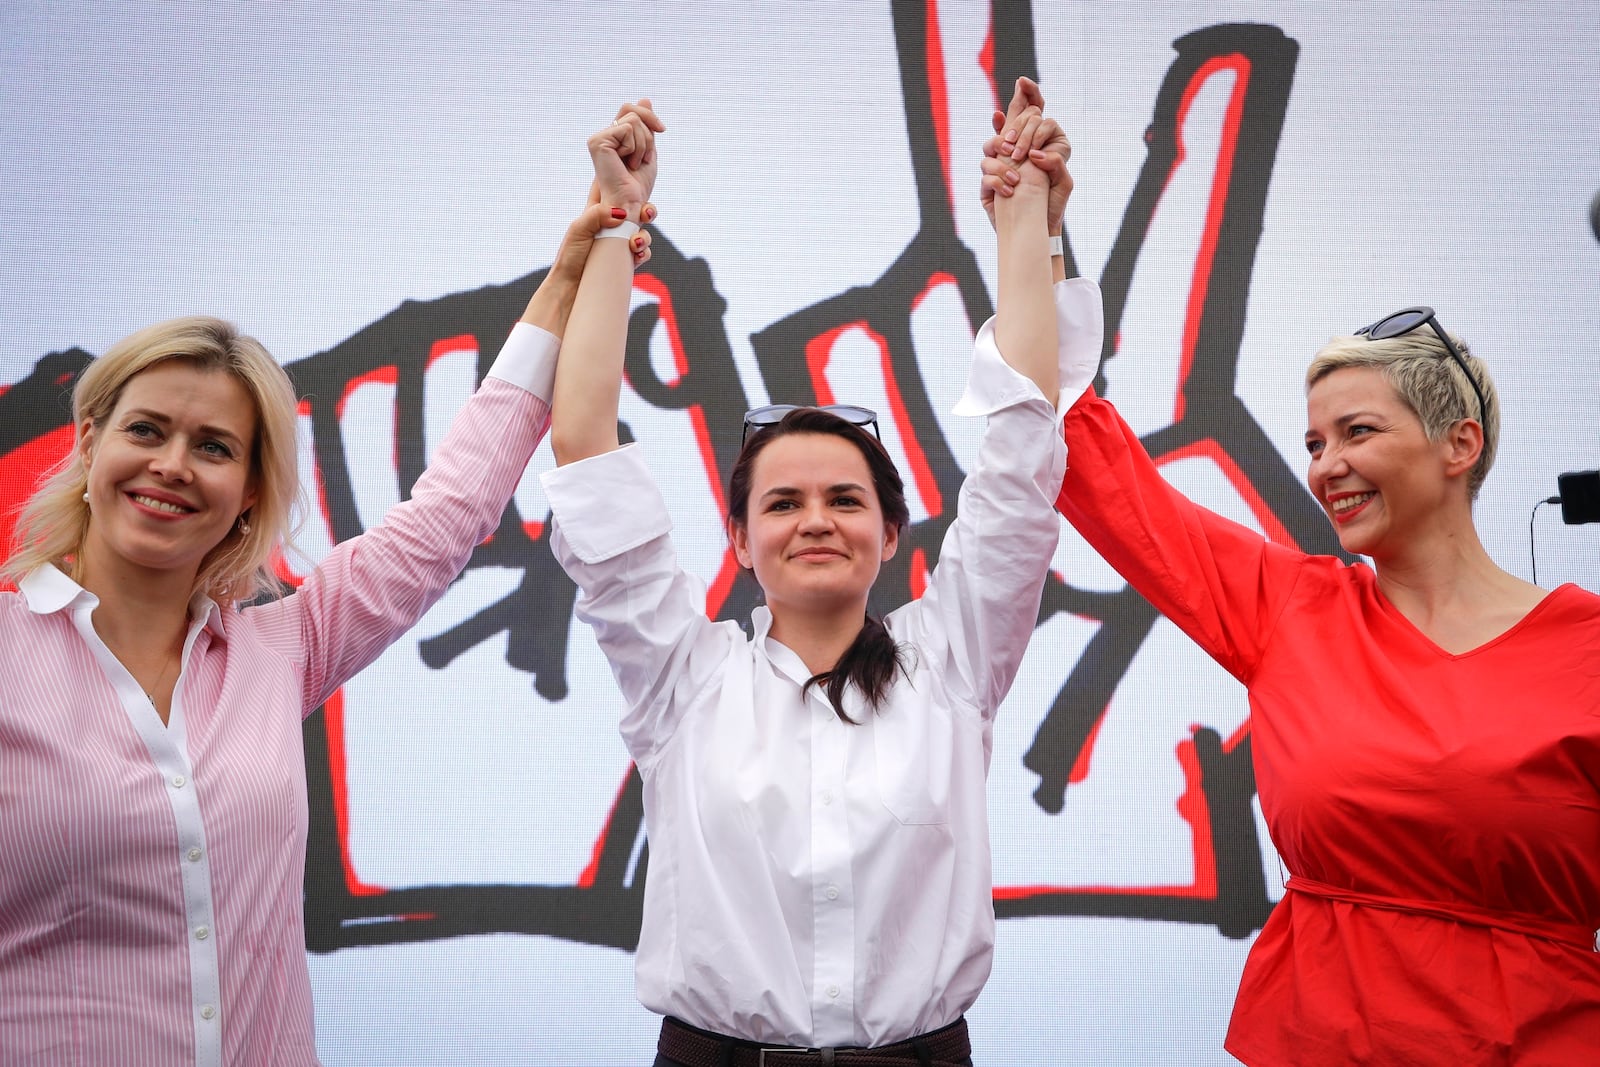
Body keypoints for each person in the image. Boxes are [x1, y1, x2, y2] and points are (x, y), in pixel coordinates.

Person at [0, 104, 660, 1067]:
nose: (173, 465)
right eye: (146, 430)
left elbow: (452, 508)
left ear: (251, 489)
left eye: (213, 446)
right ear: (90, 442)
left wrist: (578, 263)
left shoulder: (278, 648)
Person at [986, 108, 1600, 1063]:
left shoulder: (1587, 650)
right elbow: (1083, 447)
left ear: (1459, 445)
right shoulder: (1291, 609)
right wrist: (1033, 229)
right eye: (1315, 442)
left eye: (1357, 432)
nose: (1325, 466)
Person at [541, 81, 1101, 1065]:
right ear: (739, 538)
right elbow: (585, 449)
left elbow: (1020, 448)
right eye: (782, 502)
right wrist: (610, 229)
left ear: (891, 533)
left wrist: (1026, 221)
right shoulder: (683, 677)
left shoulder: (955, 657)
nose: (814, 521)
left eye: (845, 500)